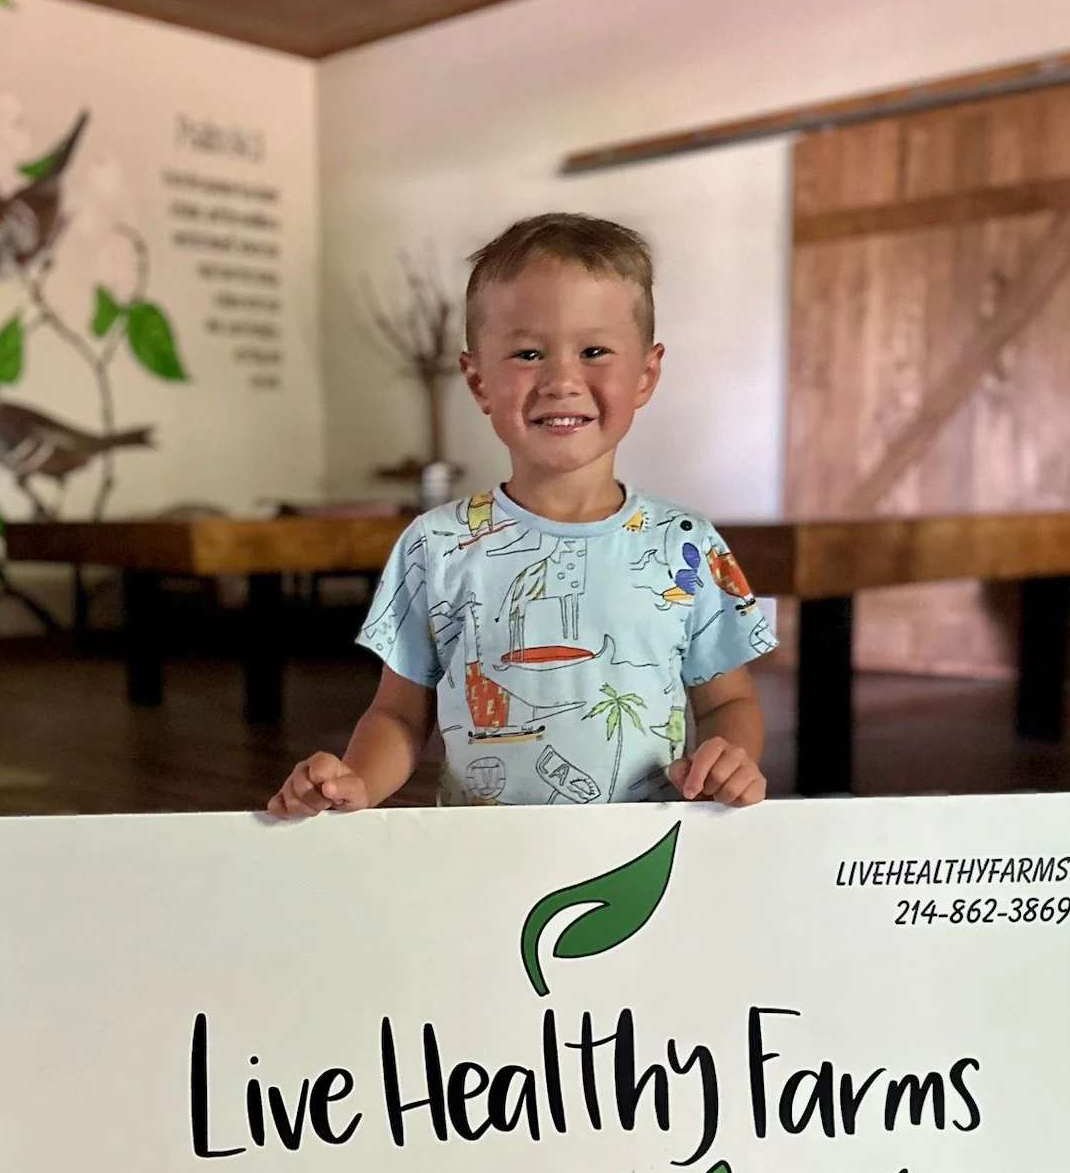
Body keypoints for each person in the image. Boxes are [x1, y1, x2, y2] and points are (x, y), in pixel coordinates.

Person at [269, 213, 775, 818]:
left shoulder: (688, 545)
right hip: (482, 861)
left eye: (594, 351)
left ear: (646, 373)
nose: (562, 379)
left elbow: (728, 704)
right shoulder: (437, 545)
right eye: (528, 353)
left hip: (645, 851)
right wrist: (356, 785)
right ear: (478, 380)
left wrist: (731, 758)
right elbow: (398, 715)